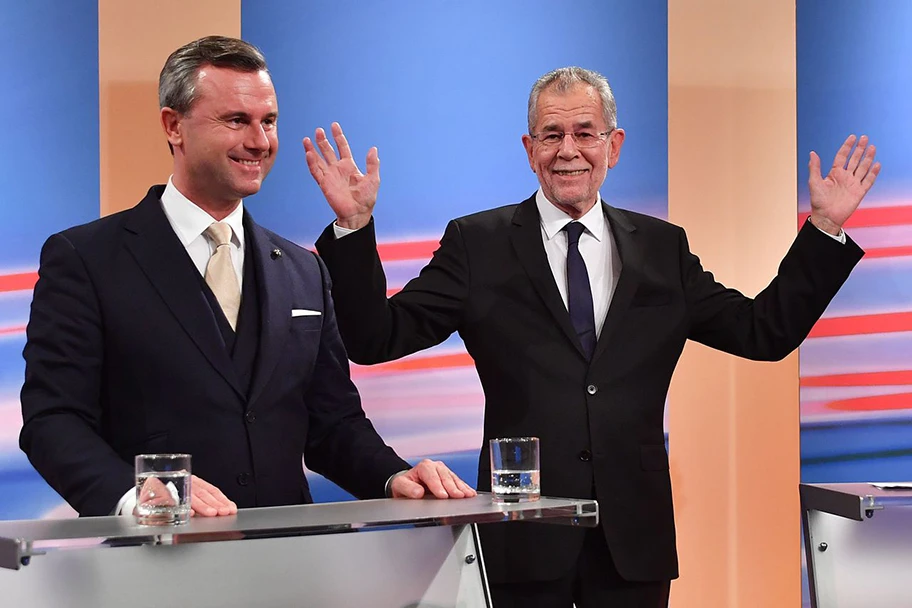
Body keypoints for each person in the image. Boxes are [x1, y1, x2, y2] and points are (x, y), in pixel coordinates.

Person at [304, 66, 879, 607]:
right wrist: (354, 228)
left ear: (615, 145)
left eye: (585, 132)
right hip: (521, 535)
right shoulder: (477, 244)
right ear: (529, 151)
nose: (569, 150)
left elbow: (763, 332)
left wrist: (824, 231)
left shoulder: (663, 248)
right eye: (551, 135)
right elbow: (376, 338)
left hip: (634, 539)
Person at [18, 35, 475, 521]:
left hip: (288, 569)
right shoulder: (86, 258)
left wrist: (392, 475)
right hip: (154, 564)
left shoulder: (304, 270)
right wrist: (135, 497)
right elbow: (54, 420)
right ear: (174, 126)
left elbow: (332, 424)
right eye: (236, 120)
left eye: (269, 121)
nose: (259, 141)